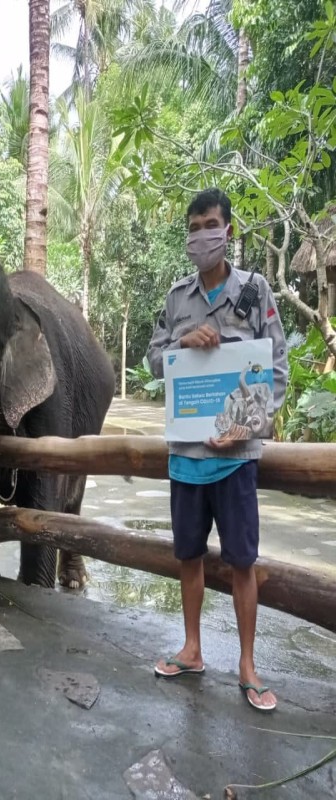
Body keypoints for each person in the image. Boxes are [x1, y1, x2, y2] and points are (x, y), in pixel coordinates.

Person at [146, 188, 288, 713]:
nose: (201, 234)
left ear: (228, 231)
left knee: (242, 562)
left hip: (234, 456)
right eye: (194, 226)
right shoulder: (176, 298)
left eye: (210, 224)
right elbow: (155, 360)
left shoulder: (254, 292)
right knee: (188, 556)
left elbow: (276, 369)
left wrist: (249, 426)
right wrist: (180, 345)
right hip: (186, 452)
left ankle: (248, 665)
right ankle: (192, 649)